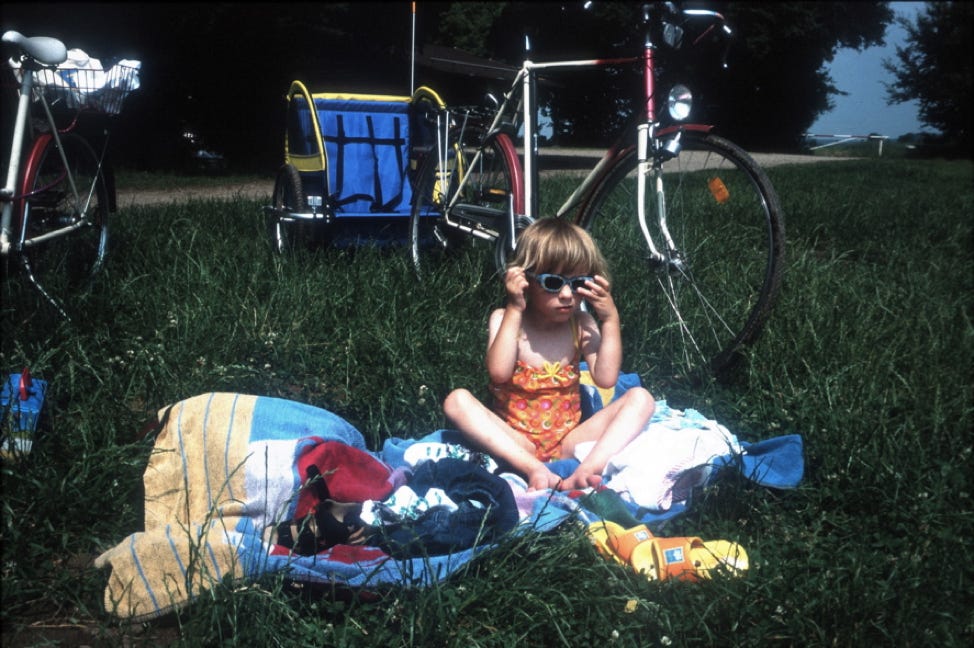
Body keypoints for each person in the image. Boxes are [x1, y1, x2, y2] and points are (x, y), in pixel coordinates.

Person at [443, 219, 655, 491]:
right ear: (525, 280)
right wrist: (515, 309)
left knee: (641, 398)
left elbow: (606, 378)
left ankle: (587, 469)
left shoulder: (581, 323)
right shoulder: (506, 320)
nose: (567, 294)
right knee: (456, 400)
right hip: (518, 444)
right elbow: (498, 372)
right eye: (553, 282)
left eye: (579, 283)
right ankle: (534, 470)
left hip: (570, 441)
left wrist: (610, 319)